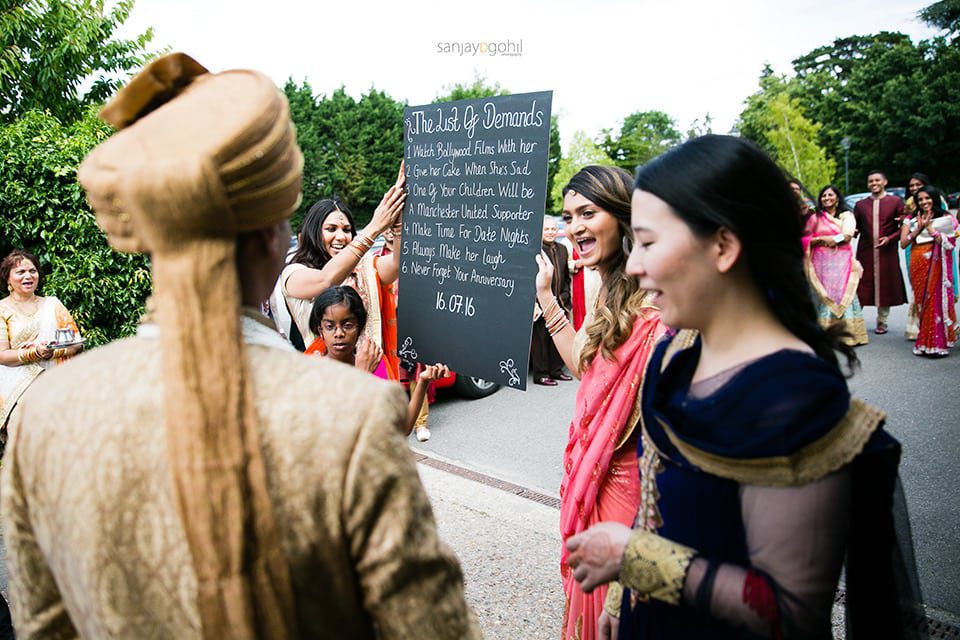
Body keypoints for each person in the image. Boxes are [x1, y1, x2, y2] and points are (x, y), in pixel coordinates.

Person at [1, 53, 478, 639]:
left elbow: (44, 627)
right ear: (274, 234)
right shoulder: (350, 417)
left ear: (149, 232)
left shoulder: (45, 416)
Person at [565, 135, 914, 639]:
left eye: (648, 242)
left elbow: (790, 613)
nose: (634, 265)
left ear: (723, 246)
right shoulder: (675, 353)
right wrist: (622, 598)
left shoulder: (790, 395)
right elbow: (652, 504)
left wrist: (633, 558)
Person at [536, 165, 666, 640]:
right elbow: (588, 372)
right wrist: (547, 299)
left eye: (588, 213)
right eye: (569, 216)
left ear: (623, 216)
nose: (575, 228)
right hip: (592, 482)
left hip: (630, 496)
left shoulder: (656, 312)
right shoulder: (608, 287)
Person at [279, 187, 405, 379]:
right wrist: (374, 227)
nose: (341, 237)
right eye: (331, 229)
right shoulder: (294, 273)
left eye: (347, 230)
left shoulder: (363, 267)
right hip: (323, 378)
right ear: (313, 232)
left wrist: (397, 227)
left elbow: (396, 264)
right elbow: (325, 280)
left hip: (370, 368)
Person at [307, 285, 449, 433]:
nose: (339, 333)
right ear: (320, 330)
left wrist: (423, 382)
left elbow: (401, 428)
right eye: (330, 326)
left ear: (359, 328)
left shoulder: (374, 364)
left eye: (348, 325)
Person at [0, 249, 83, 430]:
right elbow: (2, 355)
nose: (28, 276)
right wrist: (34, 352)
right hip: (17, 385)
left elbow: (76, 344)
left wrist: (52, 351)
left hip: (56, 378)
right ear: (8, 279)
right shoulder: (2, 309)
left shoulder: (53, 305)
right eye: (20, 272)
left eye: (32, 271)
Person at [803, 185, 868, 345]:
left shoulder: (847, 215)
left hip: (842, 262)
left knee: (844, 293)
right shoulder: (815, 217)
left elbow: (847, 235)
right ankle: (825, 333)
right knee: (824, 294)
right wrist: (821, 240)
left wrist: (833, 239)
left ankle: (848, 335)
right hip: (821, 263)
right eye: (823, 196)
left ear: (837, 198)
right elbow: (805, 237)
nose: (827, 198)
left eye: (830, 195)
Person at [900, 186, 958, 356]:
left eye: (928, 198)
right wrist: (918, 229)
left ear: (934, 198)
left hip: (938, 264)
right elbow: (903, 244)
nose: (924, 202)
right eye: (921, 200)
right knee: (922, 302)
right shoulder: (910, 219)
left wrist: (931, 230)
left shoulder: (946, 218)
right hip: (918, 262)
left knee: (936, 301)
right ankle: (924, 341)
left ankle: (937, 343)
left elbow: (950, 243)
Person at [853, 169, 907, 334]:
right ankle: (854, 320)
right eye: (871, 181)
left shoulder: (896, 202)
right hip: (866, 251)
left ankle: (882, 321)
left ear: (885, 182)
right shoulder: (861, 205)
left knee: (885, 284)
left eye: (877, 180)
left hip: (887, 252)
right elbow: (855, 228)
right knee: (861, 284)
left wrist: (890, 238)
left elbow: (905, 226)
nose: (874, 184)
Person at [531, 216, 573, 385]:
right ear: (540, 231)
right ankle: (541, 374)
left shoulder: (563, 249)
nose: (550, 232)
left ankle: (556, 370)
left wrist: (565, 298)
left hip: (559, 301)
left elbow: (565, 278)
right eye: (546, 229)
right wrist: (533, 303)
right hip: (539, 304)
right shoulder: (535, 251)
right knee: (540, 339)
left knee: (557, 337)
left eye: (553, 229)